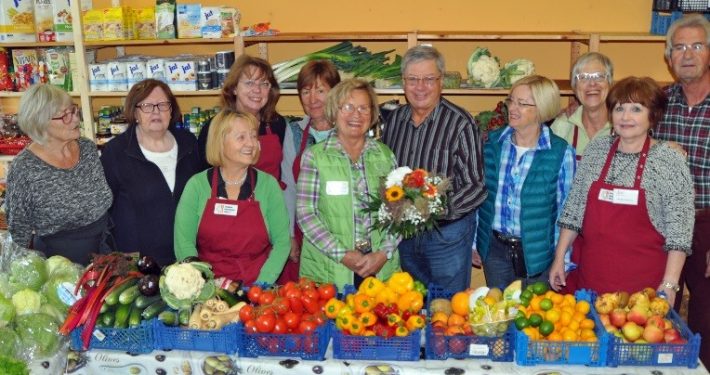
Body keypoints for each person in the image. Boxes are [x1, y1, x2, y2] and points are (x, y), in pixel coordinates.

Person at [549, 77, 694, 304]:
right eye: (619, 109)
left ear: (652, 115)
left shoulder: (668, 160)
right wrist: (559, 259)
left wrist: (669, 285)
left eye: (636, 109)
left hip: (644, 290)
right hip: (592, 281)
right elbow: (574, 209)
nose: (625, 117)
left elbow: (680, 233)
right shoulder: (598, 149)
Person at [382, 45, 485, 292]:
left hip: (447, 237)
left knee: (447, 309)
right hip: (404, 236)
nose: (420, 87)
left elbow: (476, 186)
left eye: (429, 79)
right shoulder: (394, 120)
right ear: (403, 82)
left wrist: (435, 211)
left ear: (441, 82)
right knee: (411, 303)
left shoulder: (461, 123)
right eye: (413, 79)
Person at [296, 78, 399, 291]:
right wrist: (342, 255)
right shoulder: (315, 157)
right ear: (334, 111)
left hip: (379, 267)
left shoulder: (385, 156)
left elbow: (399, 212)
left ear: (372, 115)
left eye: (364, 108)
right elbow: (306, 215)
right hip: (329, 268)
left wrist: (383, 254)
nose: (356, 114)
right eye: (348, 107)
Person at [476, 75, 576, 291]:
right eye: (511, 101)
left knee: (533, 318)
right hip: (495, 252)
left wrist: (562, 260)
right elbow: (481, 198)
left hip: (538, 255)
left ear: (541, 110)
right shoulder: (493, 144)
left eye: (523, 104)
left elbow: (566, 213)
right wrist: (477, 243)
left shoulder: (561, 152)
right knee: (499, 317)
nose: (513, 108)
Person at [174, 110, 290, 286]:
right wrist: (201, 282)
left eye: (253, 136)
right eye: (241, 137)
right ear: (220, 142)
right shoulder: (197, 186)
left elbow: (282, 243)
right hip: (208, 286)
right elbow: (183, 243)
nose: (251, 143)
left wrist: (261, 285)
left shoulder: (268, 185)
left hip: (257, 286)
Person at [654, 14, 710, 367]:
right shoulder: (658, 102)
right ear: (668, 56)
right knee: (655, 311)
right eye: (679, 47)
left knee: (706, 317)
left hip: (707, 224)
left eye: (697, 46)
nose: (687, 54)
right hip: (660, 224)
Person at [6, 84, 113, 265]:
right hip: (60, 264)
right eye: (65, 116)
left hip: (105, 251)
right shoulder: (24, 168)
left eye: (73, 110)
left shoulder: (86, 148)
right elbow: (19, 231)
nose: (74, 119)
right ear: (40, 123)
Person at [101, 79, 203, 267]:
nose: (156, 112)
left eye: (163, 105)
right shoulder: (116, 151)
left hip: (187, 257)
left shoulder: (188, 143)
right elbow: (105, 209)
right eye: (147, 106)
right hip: (138, 264)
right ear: (135, 112)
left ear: (171, 110)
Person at [279, 60, 341, 283]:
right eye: (306, 91)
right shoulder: (294, 132)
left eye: (321, 90)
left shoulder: (348, 131)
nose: (313, 99)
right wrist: (290, 235)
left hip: (340, 231)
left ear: (335, 93)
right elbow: (288, 186)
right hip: (303, 229)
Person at [197, 55, 287, 184]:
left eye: (264, 83)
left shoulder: (277, 124)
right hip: (229, 201)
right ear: (234, 88)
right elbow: (205, 178)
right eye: (249, 83)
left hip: (269, 200)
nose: (257, 90)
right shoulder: (216, 127)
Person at [550, 52, 614, 160]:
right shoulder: (561, 126)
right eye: (583, 77)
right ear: (574, 87)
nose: (592, 83)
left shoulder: (623, 126)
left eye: (599, 76)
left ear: (610, 83)